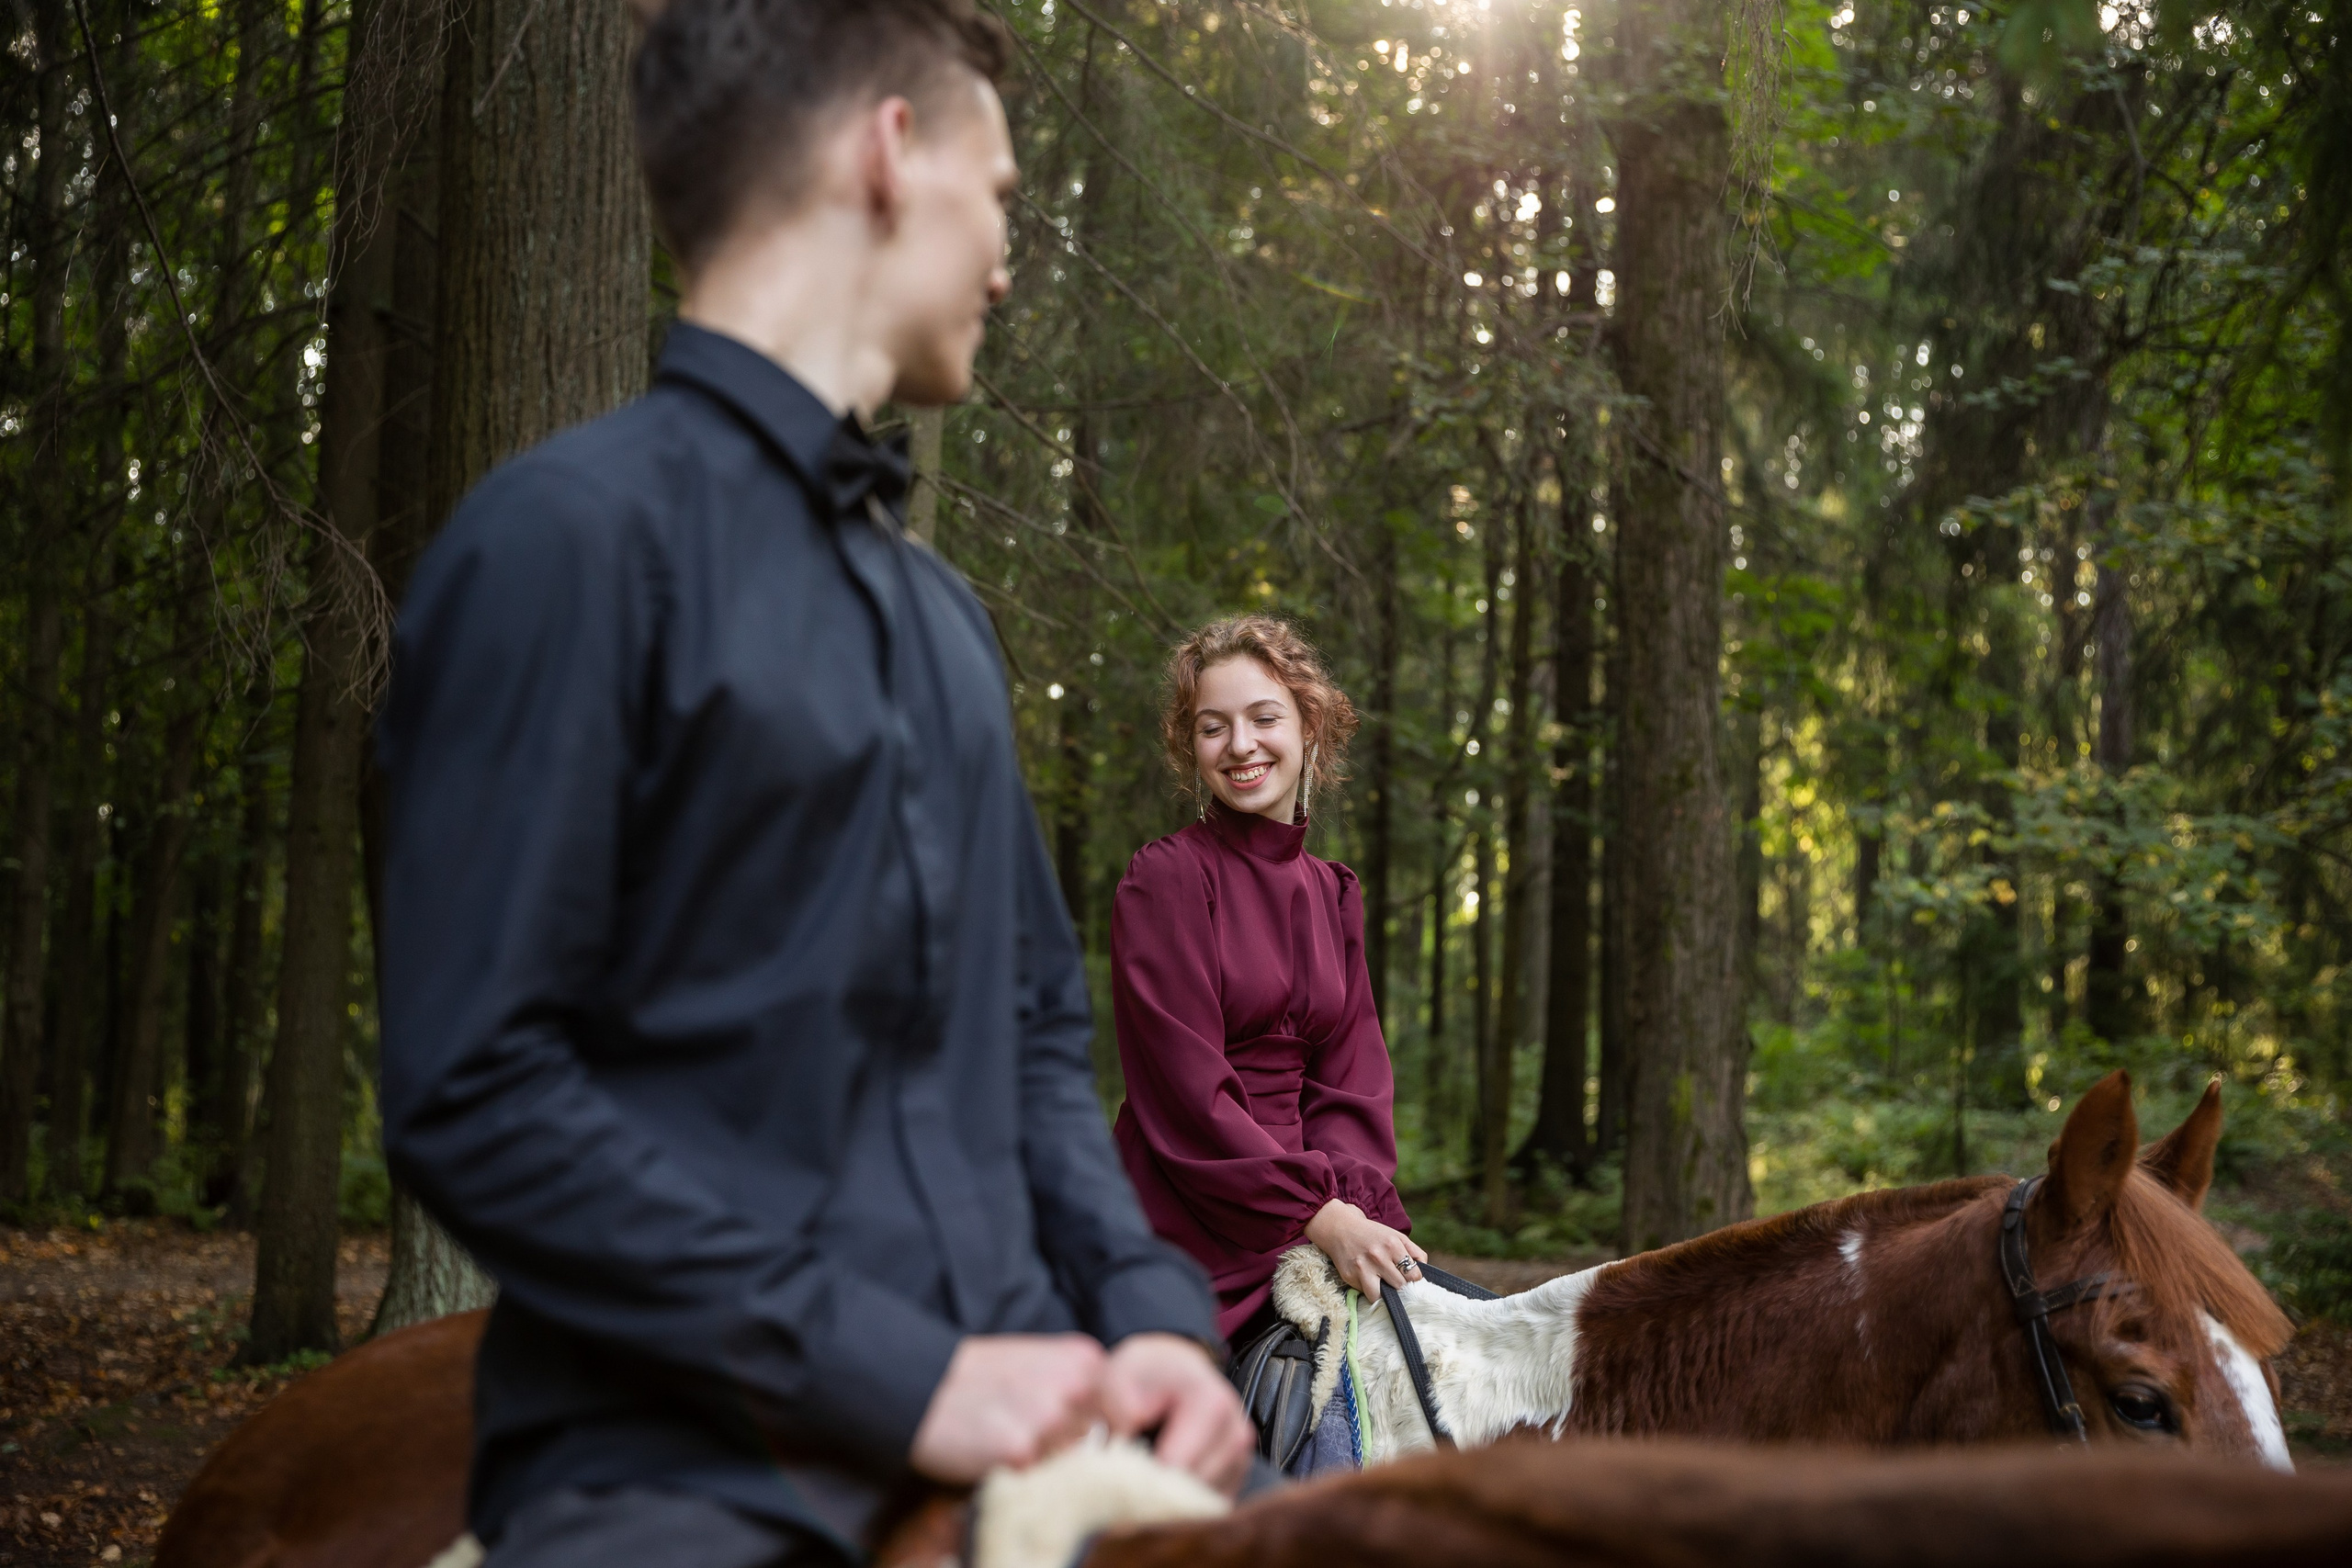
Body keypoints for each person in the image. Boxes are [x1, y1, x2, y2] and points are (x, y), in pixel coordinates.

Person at [374, 5, 1251, 1564]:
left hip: (1035, 1434)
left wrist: (1151, 1312)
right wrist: (900, 1374)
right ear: (890, 154)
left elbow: (1042, 1039)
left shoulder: (948, 623)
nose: (1005, 256)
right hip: (673, 1479)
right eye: (999, 194)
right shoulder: (557, 545)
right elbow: (479, 1092)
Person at [1108, 616, 1423, 1370]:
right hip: (1188, 1210)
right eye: (1213, 728)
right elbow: (1187, 1094)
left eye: (1263, 717)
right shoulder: (1167, 879)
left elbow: (1352, 1082)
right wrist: (1315, 1212)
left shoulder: (1334, 891)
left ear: (1308, 725)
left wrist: (1351, 1205)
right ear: (1192, 749)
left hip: (1323, 1207)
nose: (1241, 745)